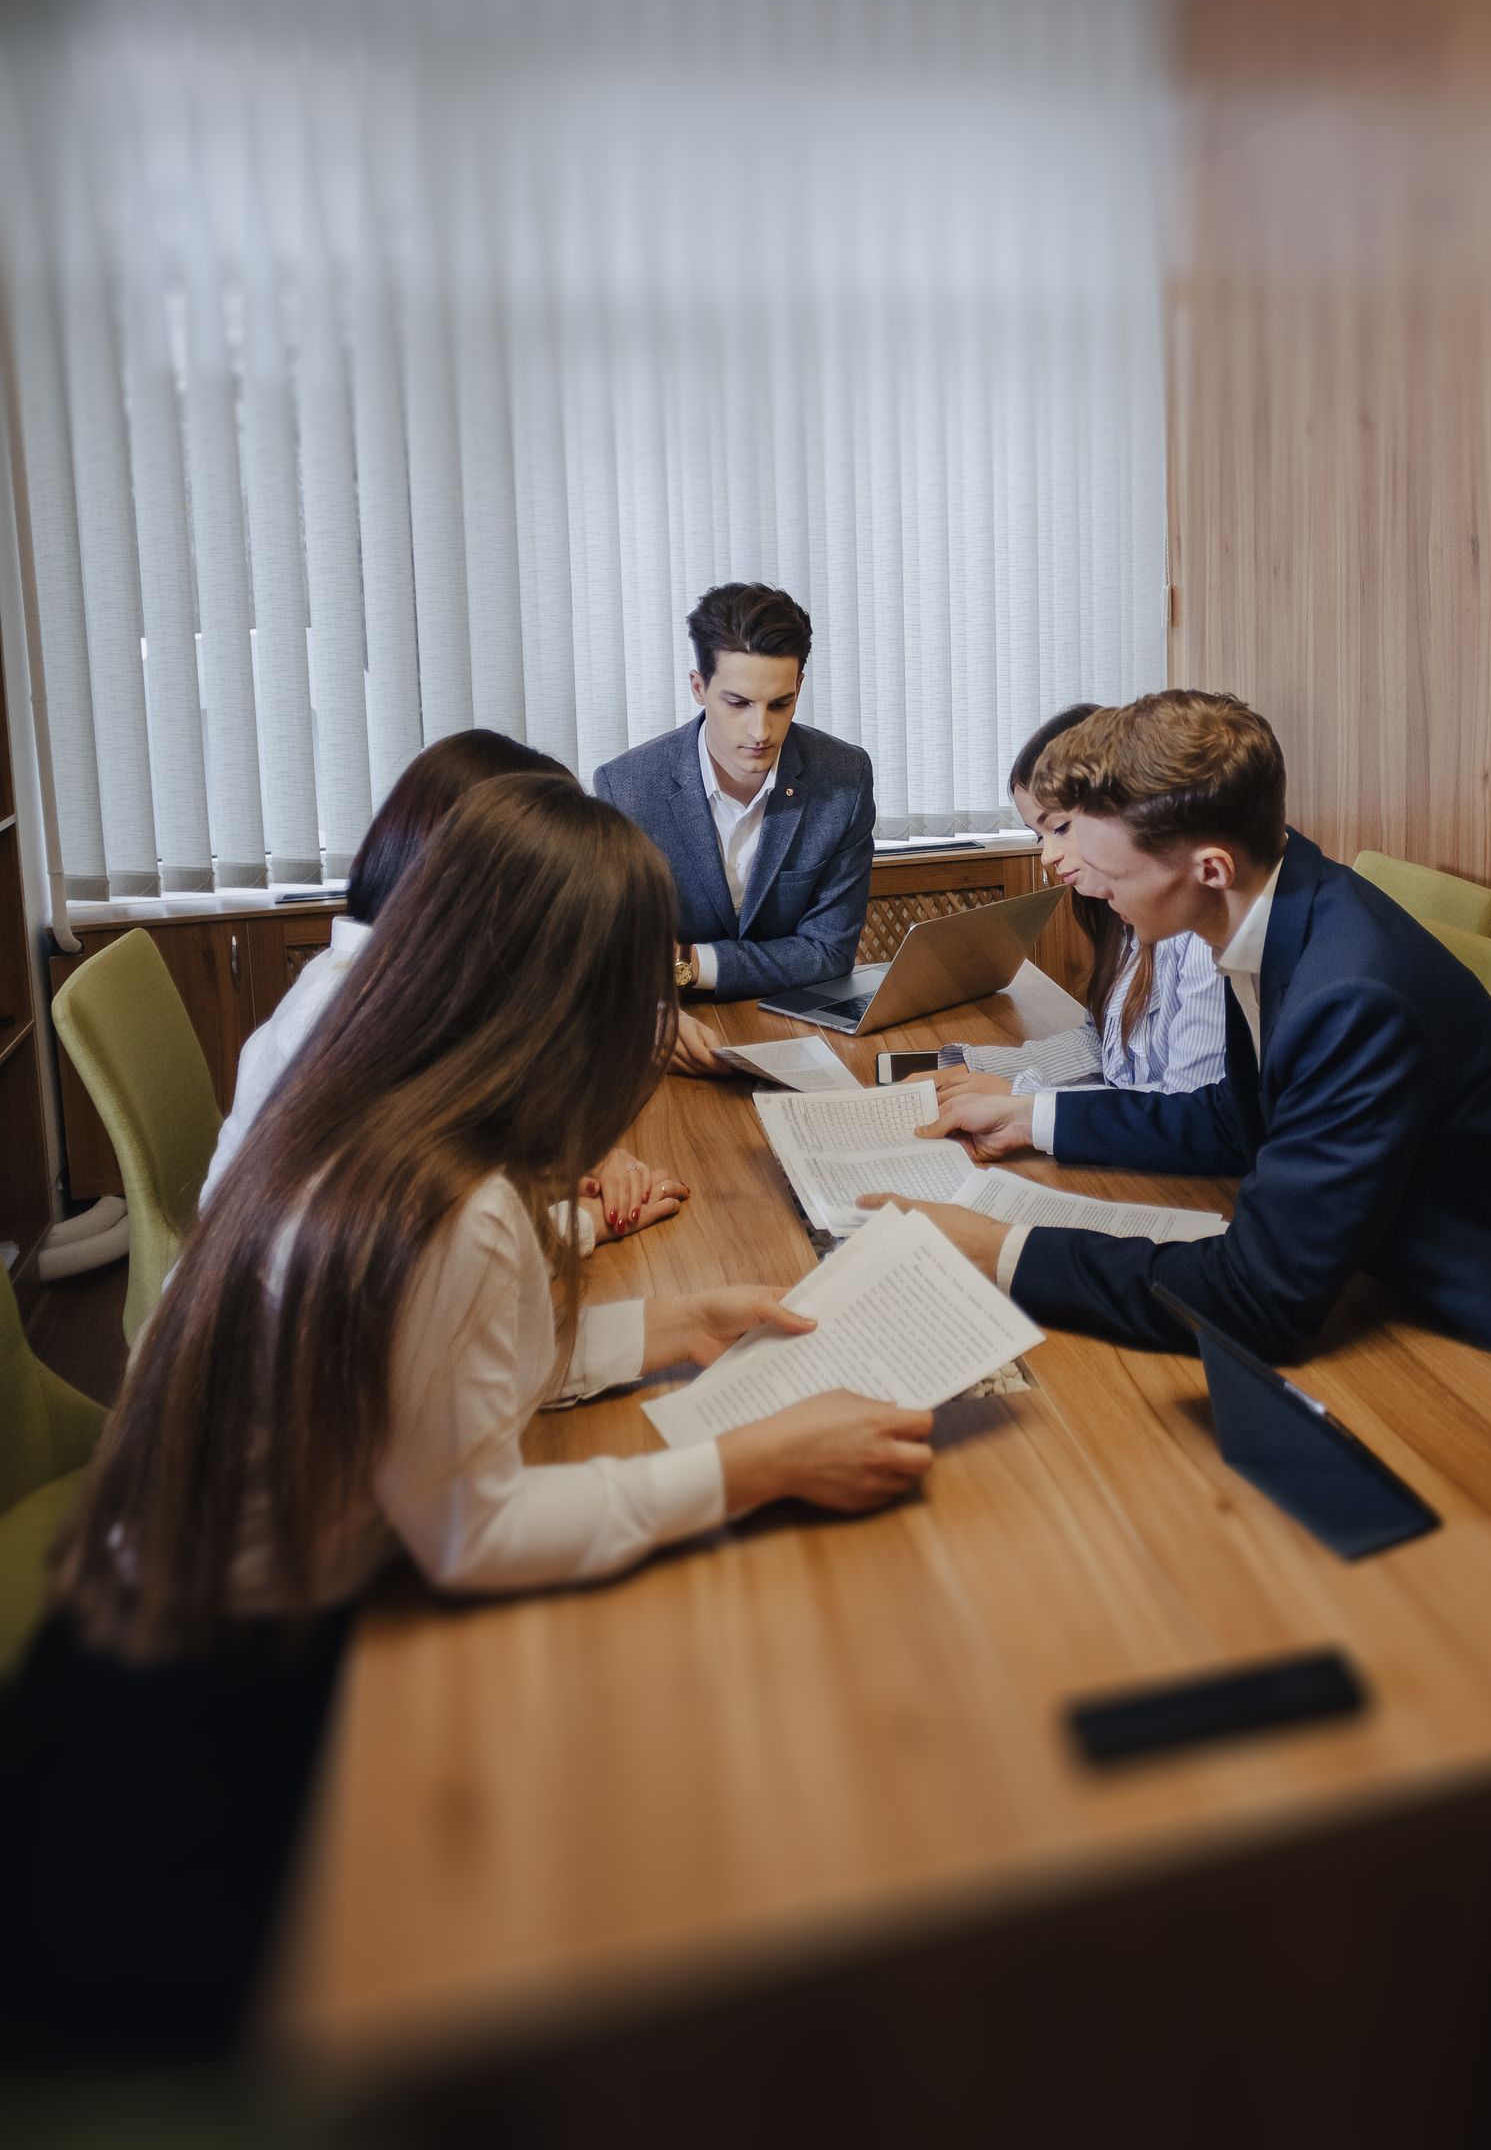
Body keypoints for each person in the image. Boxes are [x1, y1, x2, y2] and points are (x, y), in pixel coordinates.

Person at [22, 774, 930, 2062]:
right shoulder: (461, 1206)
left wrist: (668, 1327)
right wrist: (757, 1463)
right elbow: (473, 1530)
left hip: (135, 1637)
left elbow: (424, 1371)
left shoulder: (374, 1111)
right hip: (193, 1754)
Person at [894, 691, 1491, 1534]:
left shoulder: (1352, 992)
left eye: (1108, 868)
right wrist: (1036, 1121)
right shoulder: (1277, 907)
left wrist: (1004, 1250)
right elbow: (1242, 1125)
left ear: (1207, 868)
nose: (1085, 883)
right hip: (1399, 1300)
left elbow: (1261, 1302)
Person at [203, 729, 682, 1240]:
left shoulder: (392, 978)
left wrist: (573, 1157)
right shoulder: (361, 1023)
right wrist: (581, 1222)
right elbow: (423, 1249)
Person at [592, 582, 876, 1068]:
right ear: (698, 688)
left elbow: (829, 953)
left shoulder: (844, 777)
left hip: (802, 1032)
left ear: (799, 688)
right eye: (738, 703)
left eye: (779, 704)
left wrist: (687, 962)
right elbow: (624, 957)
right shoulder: (626, 789)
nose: (760, 732)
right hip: (674, 1034)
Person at [938, 701, 1226, 1105]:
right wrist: (969, 1070)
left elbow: (1190, 1108)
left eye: (1059, 828)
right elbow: (1104, 1047)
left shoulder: (1198, 931)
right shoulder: (1118, 917)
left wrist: (1025, 1099)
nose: (1047, 855)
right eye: (1039, 837)